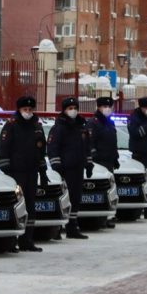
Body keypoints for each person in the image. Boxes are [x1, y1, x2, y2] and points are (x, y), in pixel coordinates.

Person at [0, 95, 49, 252]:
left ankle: (27, 240)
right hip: (16, 172)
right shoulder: (11, 125)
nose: (28, 112)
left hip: (32, 171)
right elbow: (3, 148)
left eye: (30, 109)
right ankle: (11, 241)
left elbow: (41, 149)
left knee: (30, 206)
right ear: (19, 110)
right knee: (16, 205)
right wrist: (7, 170)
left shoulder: (37, 126)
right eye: (25, 109)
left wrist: (43, 171)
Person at [48, 97, 92, 238]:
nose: (73, 111)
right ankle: (57, 228)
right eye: (70, 108)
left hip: (78, 167)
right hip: (65, 168)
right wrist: (57, 166)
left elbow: (86, 147)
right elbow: (53, 148)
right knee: (63, 198)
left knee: (75, 198)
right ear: (65, 110)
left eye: (75, 108)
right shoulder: (59, 127)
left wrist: (88, 163)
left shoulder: (81, 126)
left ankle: (72, 227)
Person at [88, 96, 120, 228]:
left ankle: (109, 216)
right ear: (99, 107)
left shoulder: (110, 122)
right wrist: (95, 155)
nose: (107, 109)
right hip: (99, 162)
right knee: (100, 190)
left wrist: (115, 157)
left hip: (109, 161)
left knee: (110, 190)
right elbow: (90, 142)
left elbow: (113, 142)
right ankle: (98, 217)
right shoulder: (93, 122)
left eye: (109, 107)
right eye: (104, 106)